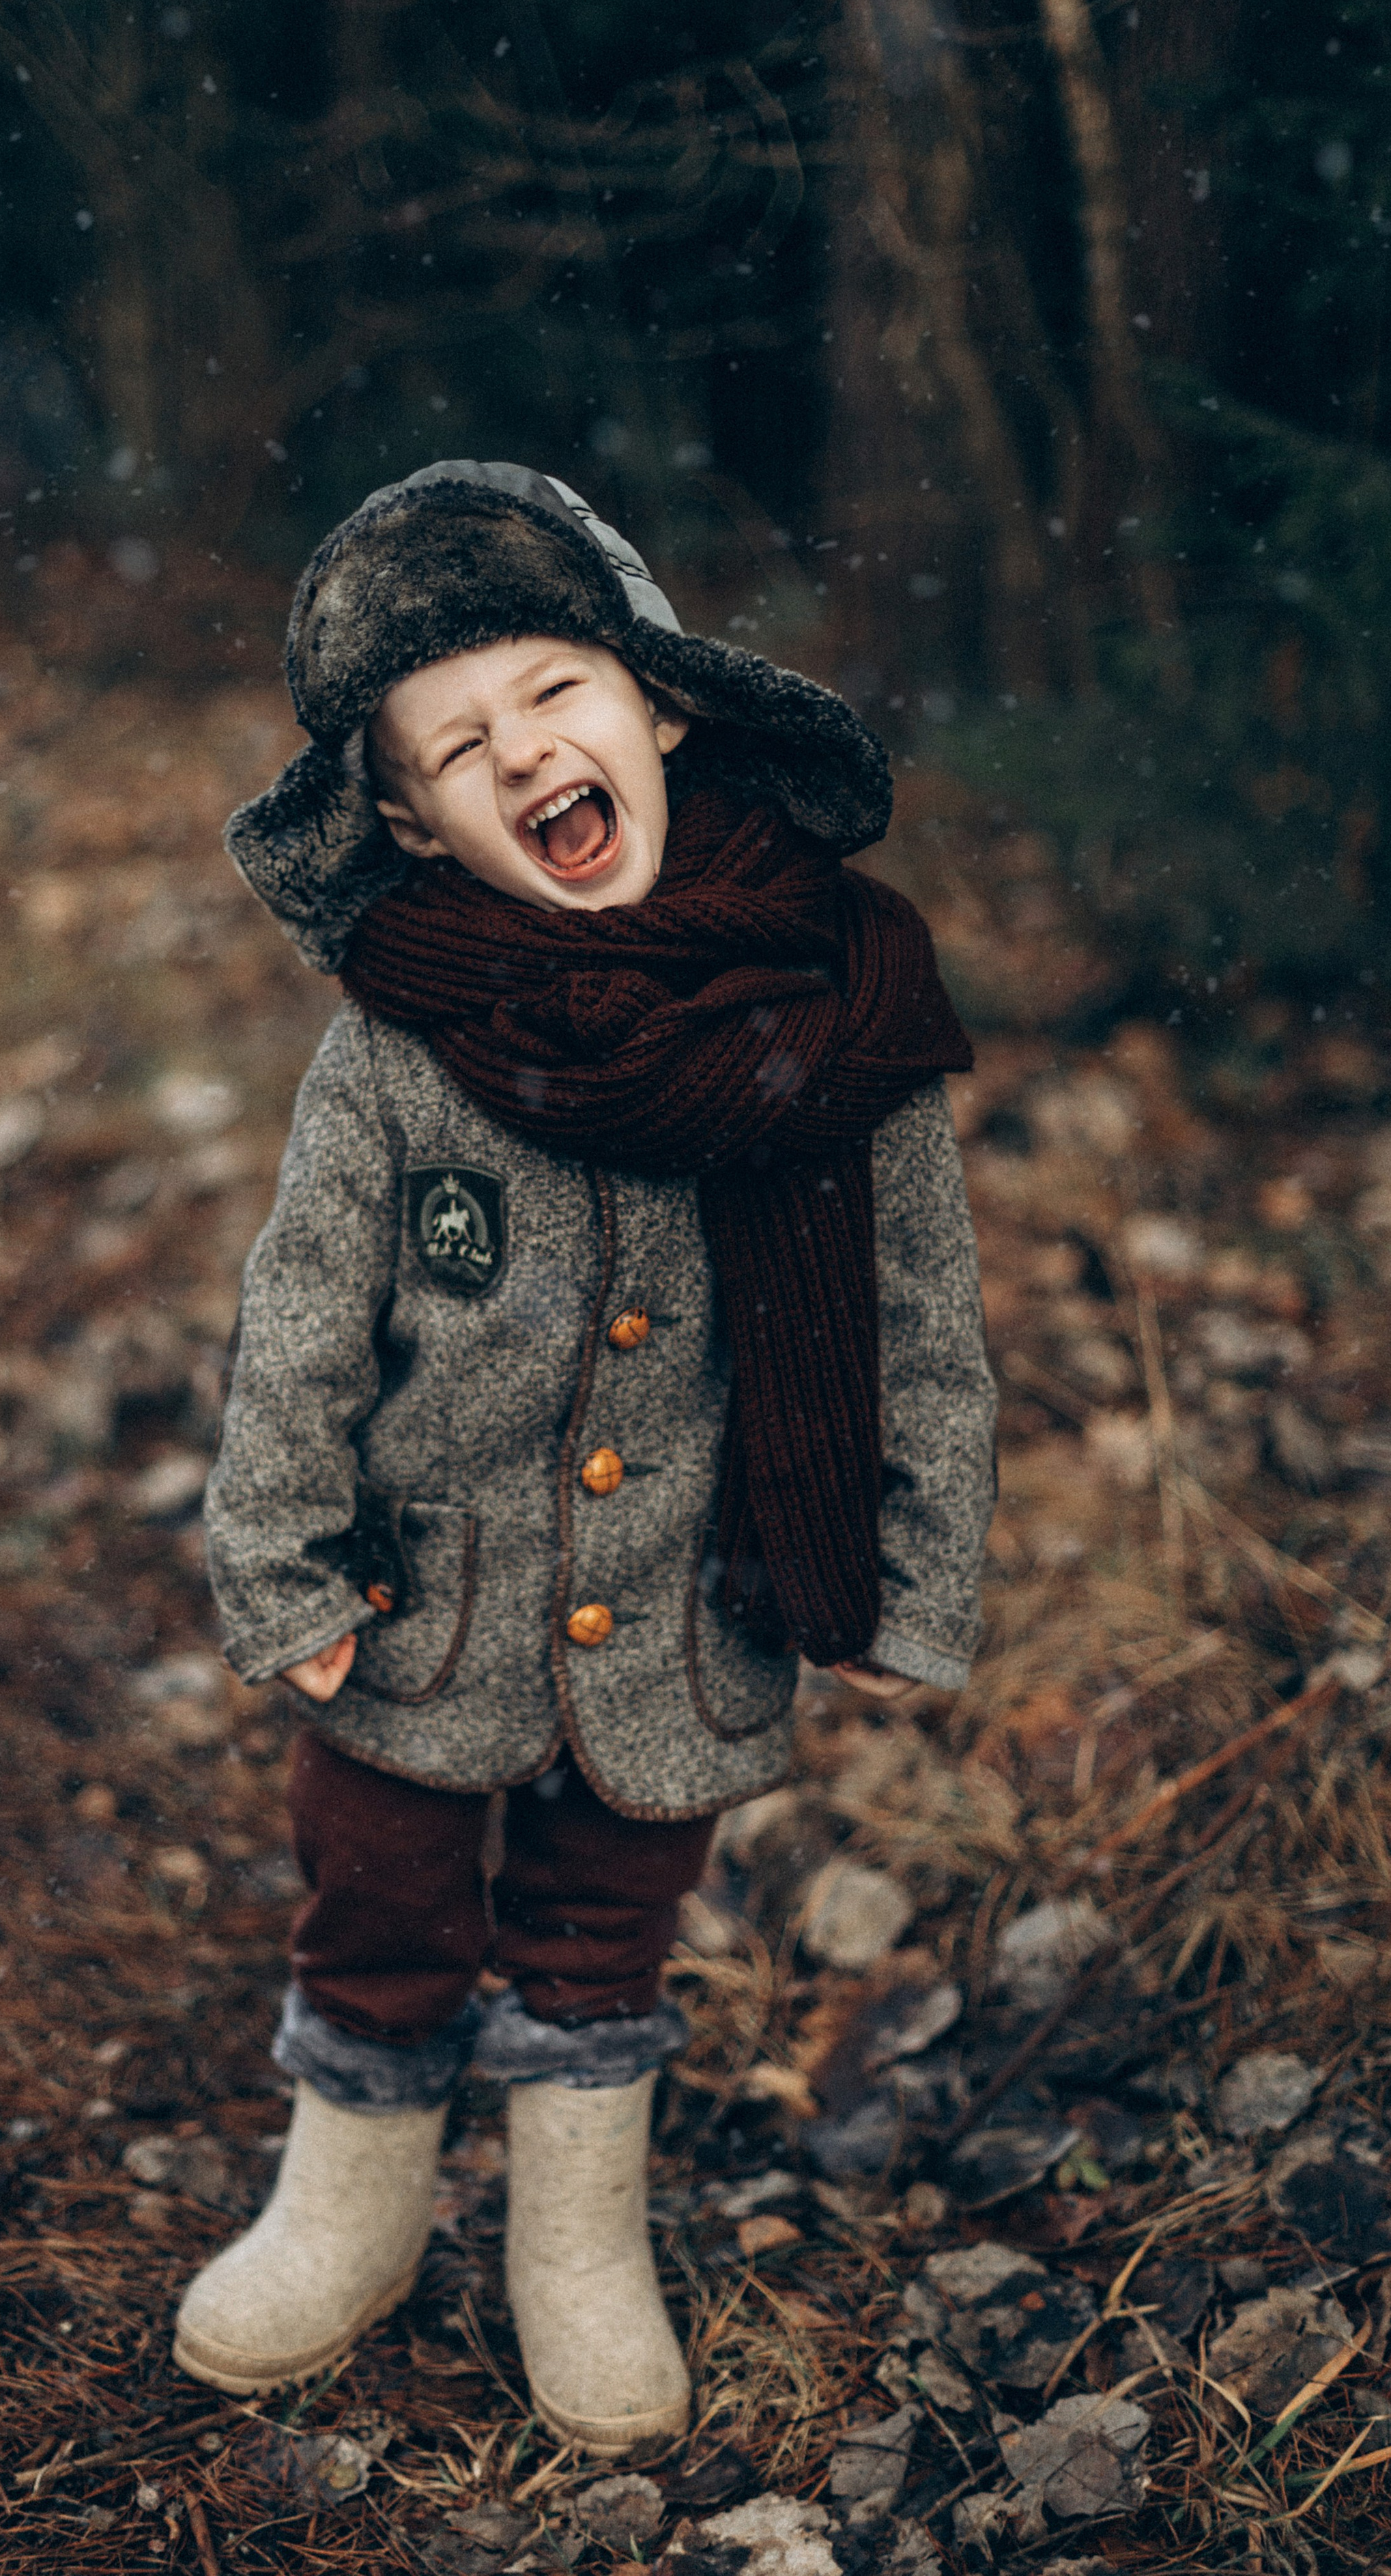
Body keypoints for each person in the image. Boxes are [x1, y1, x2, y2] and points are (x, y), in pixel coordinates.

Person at [173, 462, 996, 2454]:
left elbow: (922, 1327)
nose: (522, 749)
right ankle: (352, 2201)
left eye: (557, 693)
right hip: (417, 1612)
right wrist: (279, 1568)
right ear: (408, 821)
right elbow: (301, 1324)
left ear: (663, 711)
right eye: (457, 746)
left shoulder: (836, 1013)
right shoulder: (396, 1053)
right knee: (373, 1894)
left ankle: (575, 2241)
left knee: (603, 1924)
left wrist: (911, 1575)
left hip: (691, 1618)